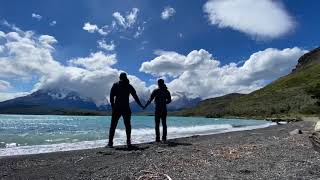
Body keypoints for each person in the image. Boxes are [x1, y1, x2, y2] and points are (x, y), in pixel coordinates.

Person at [107, 72, 144, 147]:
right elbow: (135, 97)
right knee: (127, 125)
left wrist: (113, 106)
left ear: (120, 78)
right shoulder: (129, 86)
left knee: (113, 126)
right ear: (126, 77)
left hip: (117, 108)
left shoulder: (115, 85)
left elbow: (111, 97)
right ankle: (128, 142)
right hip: (126, 108)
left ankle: (110, 143)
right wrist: (141, 105)